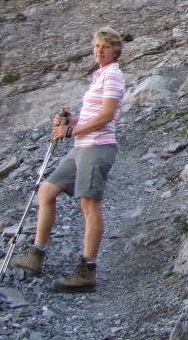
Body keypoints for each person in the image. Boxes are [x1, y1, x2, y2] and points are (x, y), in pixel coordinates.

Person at [12, 26, 126, 292]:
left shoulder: (113, 75)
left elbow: (107, 115)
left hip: (97, 147)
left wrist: (71, 131)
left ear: (115, 51)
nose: (100, 51)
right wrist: (71, 120)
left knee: (89, 206)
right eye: (97, 46)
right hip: (82, 146)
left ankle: (87, 271)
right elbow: (92, 115)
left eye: (105, 47)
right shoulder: (99, 76)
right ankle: (36, 255)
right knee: (47, 191)